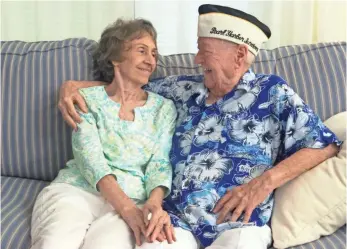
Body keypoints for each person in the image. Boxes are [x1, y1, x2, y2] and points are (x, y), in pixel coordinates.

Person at [58, 4, 342, 249]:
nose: (196, 60)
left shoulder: (272, 92)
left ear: (240, 55)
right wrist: (74, 86)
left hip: (237, 224)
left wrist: (262, 184)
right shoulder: (182, 89)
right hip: (174, 220)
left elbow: (324, 143)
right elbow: (127, 85)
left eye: (204, 51)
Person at [30, 18, 178, 249]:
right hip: (77, 191)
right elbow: (91, 159)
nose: (151, 61)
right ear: (115, 57)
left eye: (154, 54)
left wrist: (154, 203)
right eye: (142, 51)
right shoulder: (86, 98)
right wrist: (127, 209)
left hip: (133, 199)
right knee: (54, 243)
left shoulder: (163, 108)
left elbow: (160, 163)